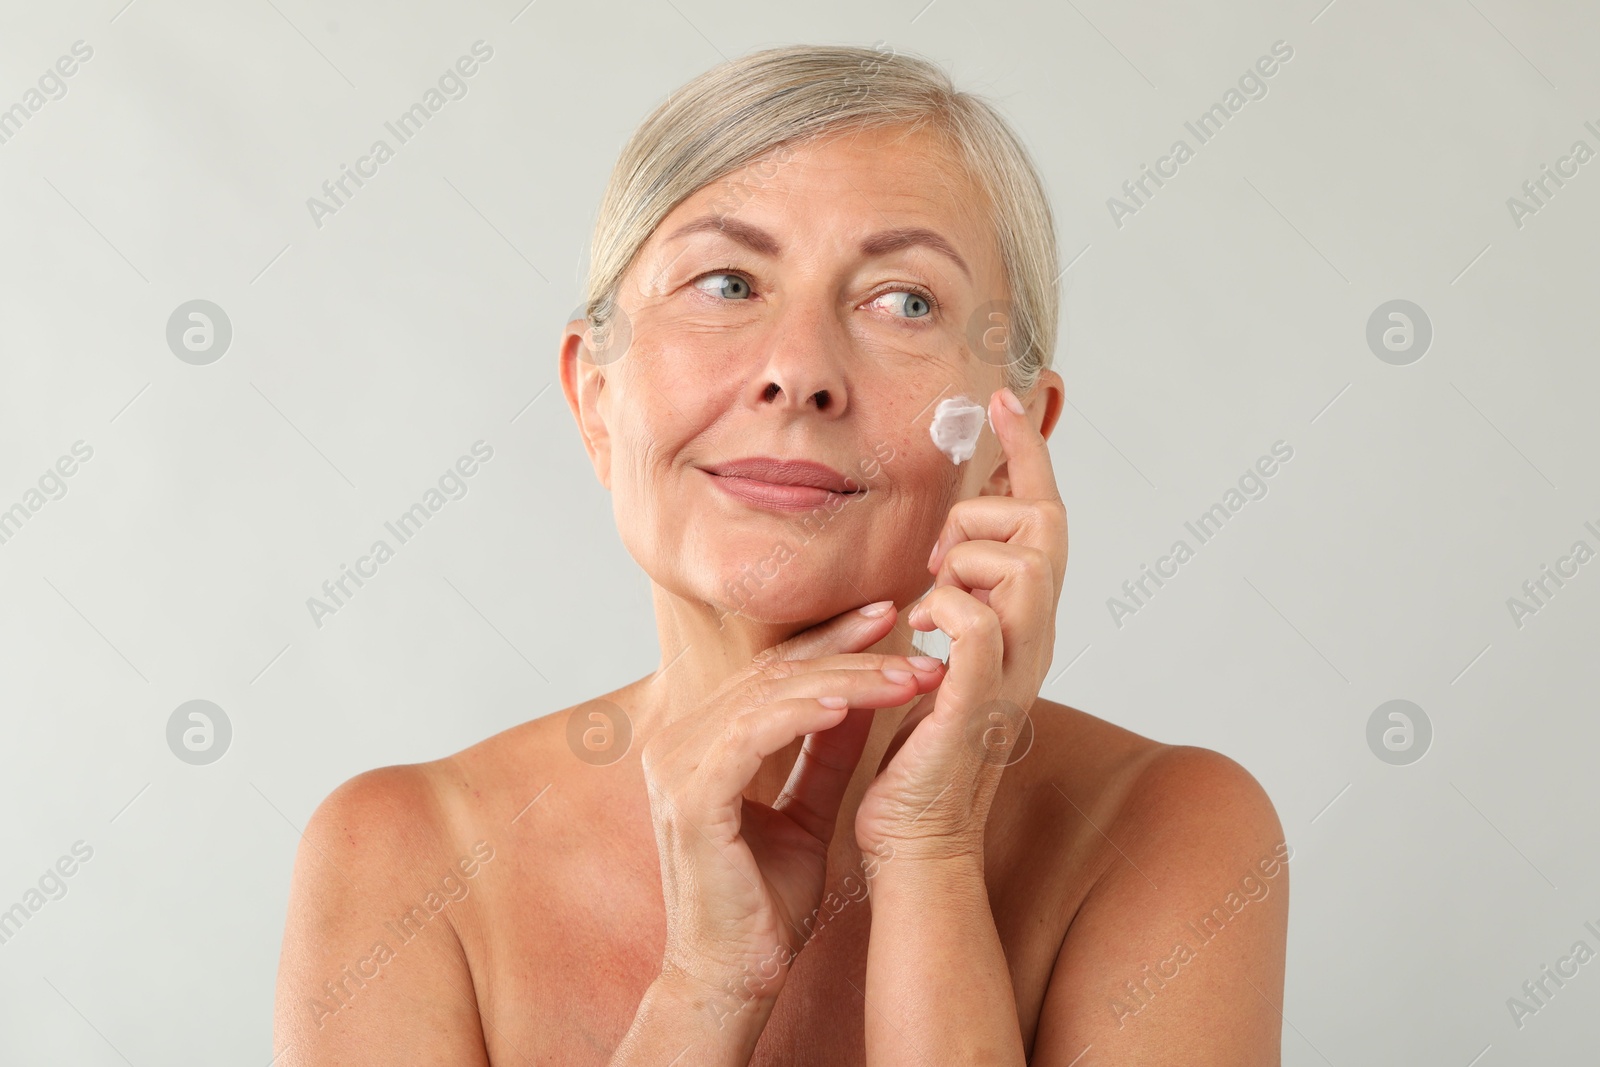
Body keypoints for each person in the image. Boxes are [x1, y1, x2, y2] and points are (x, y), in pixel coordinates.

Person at [273, 43, 1289, 1065]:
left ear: (1005, 440)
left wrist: (931, 854)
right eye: (726, 282)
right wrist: (707, 984)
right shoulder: (401, 858)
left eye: (905, 301)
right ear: (594, 400)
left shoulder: (1166, 831)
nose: (798, 371)